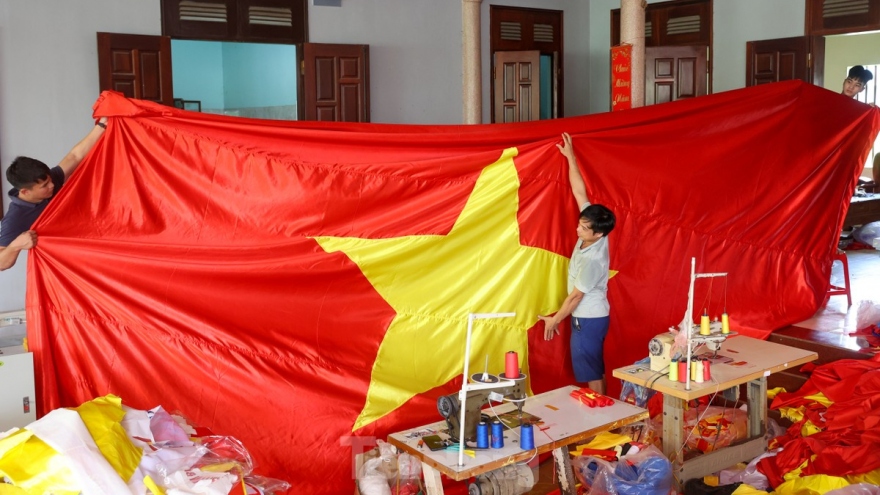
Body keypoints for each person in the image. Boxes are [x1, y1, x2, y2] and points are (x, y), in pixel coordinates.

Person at [538, 132, 616, 395]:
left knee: (592, 373)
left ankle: (601, 423)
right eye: (580, 224)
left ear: (599, 234)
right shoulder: (595, 225)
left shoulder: (594, 260)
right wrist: (570, 157)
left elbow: (575, 298)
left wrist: (554, 320)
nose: (577, 229)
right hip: (592, 316)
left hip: (588, 317)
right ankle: (603, 416)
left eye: (584, 228)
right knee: (594, 367)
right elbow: (578, 189)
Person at [0, 117, 108, 270]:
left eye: (50, 180)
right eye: (45, 185)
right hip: (71, 266)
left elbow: (75, 156)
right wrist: (16, 246)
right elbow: (1, 263)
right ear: (25, 191)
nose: (52, 185)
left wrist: (103, 125)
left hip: (94, 241)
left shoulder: (49, 180)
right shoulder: (15, 217)